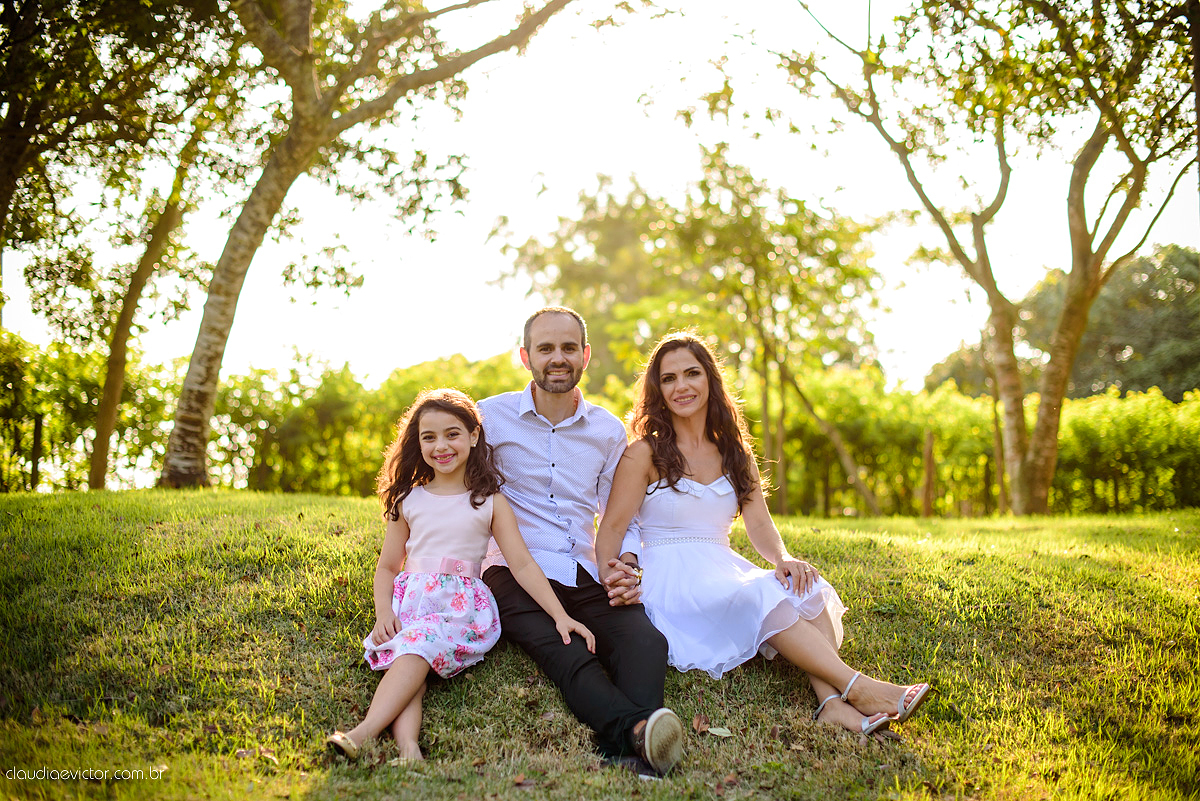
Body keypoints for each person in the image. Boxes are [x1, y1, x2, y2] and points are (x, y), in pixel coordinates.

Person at [596, 332, 931, 737]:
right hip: (674, 575)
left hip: (721, 565)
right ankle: (858, 688)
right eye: (669, 378)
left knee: (805, 585)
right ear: (658, 389)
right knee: (758, 593)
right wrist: (611, 576)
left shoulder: (734, 450)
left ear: (710, 381)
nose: (681, 386)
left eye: (691, 374)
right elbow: (612, 526)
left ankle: (830, 705)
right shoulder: (644, 453)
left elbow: (759, 523)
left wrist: (782, 559)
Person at [326, 388, 595, 761]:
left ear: (473, 435)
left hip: (459, 609)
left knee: (415, 650)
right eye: (429, 437)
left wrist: (560, 615)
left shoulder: (489, 501)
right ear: (416, 443)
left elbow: (522, 564)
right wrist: (384, 612)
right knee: (411, 660)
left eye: (452, 433)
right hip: (412, 601)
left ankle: (362, 734)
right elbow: (388, 566)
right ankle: (409, 750)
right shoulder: (409, 500)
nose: (441, 446)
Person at [477, 307, 685, 776]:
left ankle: (631, 749)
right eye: (546, 348)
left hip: (585, 566)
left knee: (646, 643)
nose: (557, 357)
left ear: (585, 355)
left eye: (568, 348)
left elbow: (620, 512)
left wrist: (625, 562)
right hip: (514, 570)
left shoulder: (608, 430)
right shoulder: (489, 417)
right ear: (526, 356)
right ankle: (640, 736)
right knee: (570, 654)